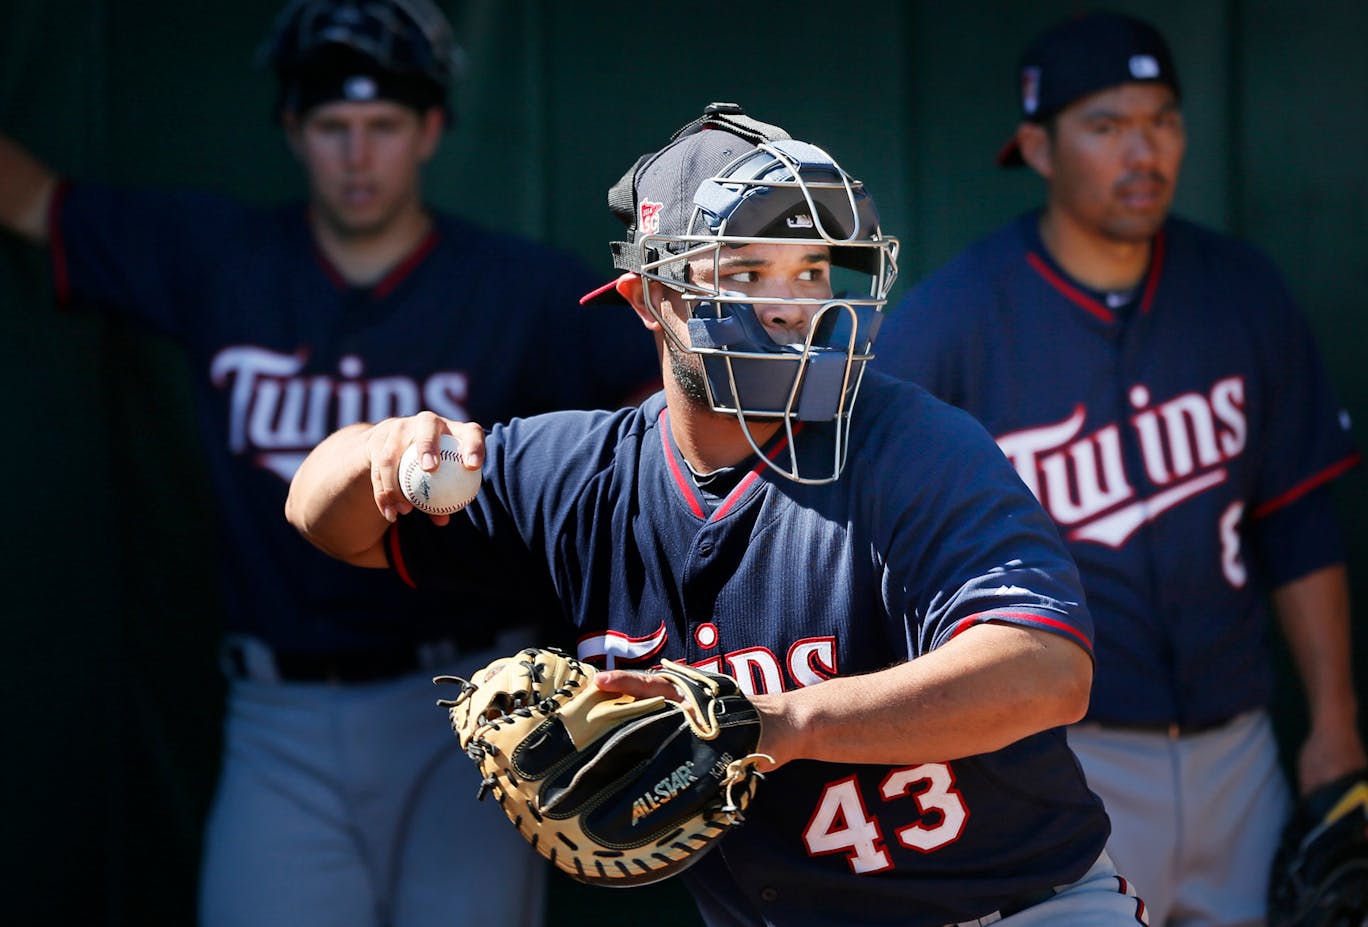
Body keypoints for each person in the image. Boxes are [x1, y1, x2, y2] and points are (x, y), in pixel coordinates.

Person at [284, 101, 1156, 927]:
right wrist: (376, 450)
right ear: (645, 298)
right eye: (744, 270)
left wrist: (785, 721)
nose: (790, 302)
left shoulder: (912, 442)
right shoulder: (581, 477)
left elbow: (1046, 671)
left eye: (814, 268)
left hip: (1015, 904)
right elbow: (324, 519)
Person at [0, 2, 657, 925]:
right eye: (333, 126)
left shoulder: (518, 286)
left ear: (429, 130)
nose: (358, 154)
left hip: (470, 705)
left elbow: (662, 421)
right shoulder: (221, 259)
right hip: (279, 717)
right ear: (293, 131)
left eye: (383, 125)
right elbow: (36, 202)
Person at [874, 11, 1368, 926]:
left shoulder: (1241, 289)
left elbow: (1297, 519)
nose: (1143, 151)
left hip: (1240, 751)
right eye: (1106, 125)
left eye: (1163, 119)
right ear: (1037, 146)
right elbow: (871, 555)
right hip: (1062, 756)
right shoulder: (952, 323)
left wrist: (1334, 727)